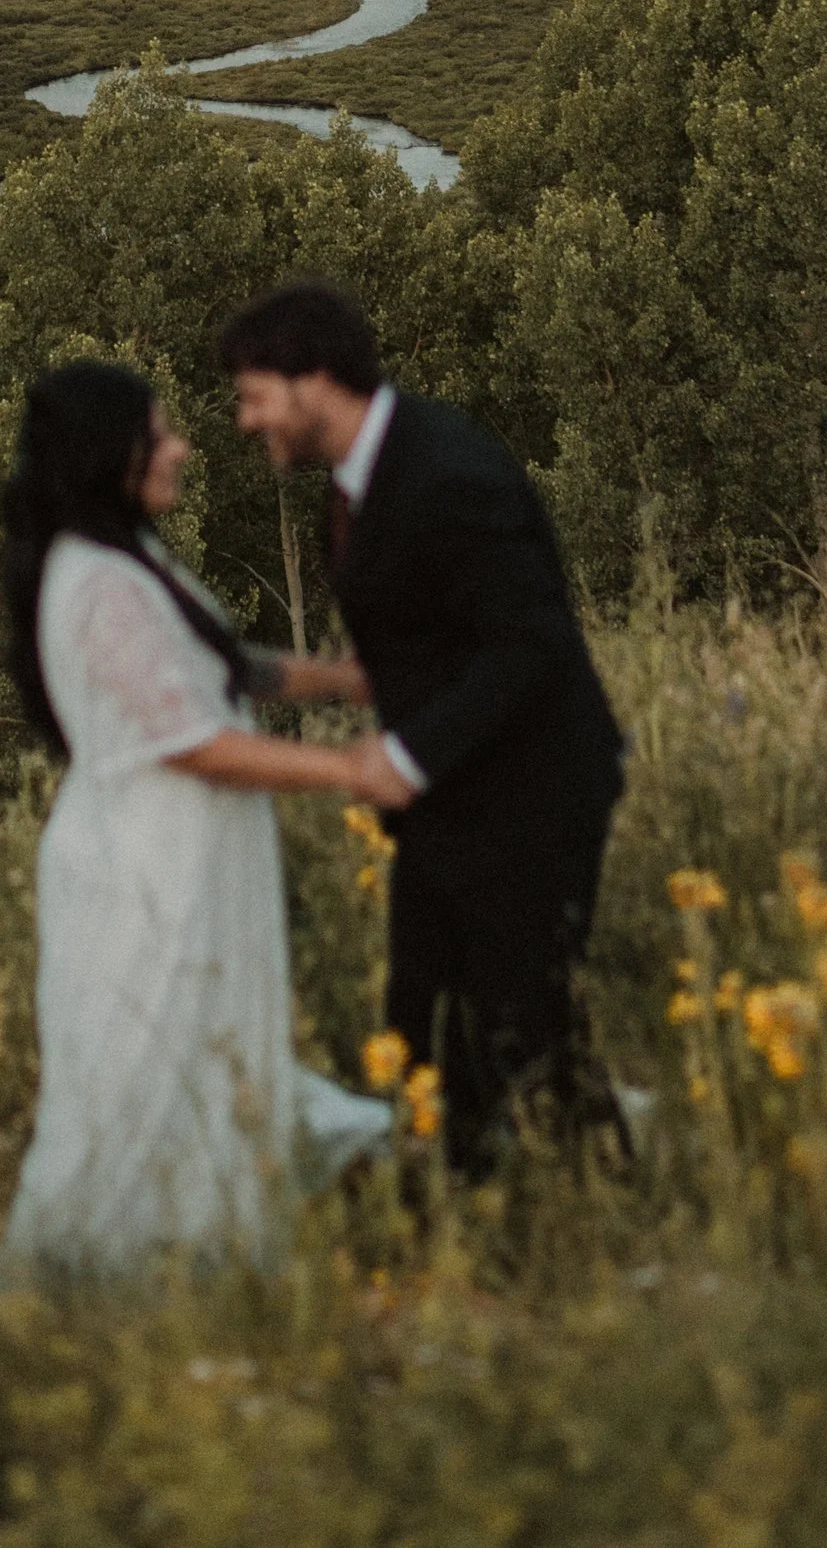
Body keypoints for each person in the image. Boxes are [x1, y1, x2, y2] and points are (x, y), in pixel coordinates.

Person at [0, 360, 395, 1281]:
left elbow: (215, 668)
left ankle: (206, 1261)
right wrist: (348, 769)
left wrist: (336, 680)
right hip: (144, 873)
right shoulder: (97, 583)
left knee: (201, 1053)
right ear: (112, 455)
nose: (181, 447)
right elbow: (193, 737)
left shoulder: (129, 558)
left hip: (179, 862)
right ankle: (120, 1282)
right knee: (145, 1066)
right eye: (160, 434)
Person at [217, 275, 625, 1176]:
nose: (247, 421)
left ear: (315, 376)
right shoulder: (364, 479)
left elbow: (531, 643)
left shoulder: (447, 471)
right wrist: (300, 682)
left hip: (531, 791)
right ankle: (463, 1215)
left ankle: (602, 1210)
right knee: (423, 1026)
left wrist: (403, 754)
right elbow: (434, 643)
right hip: (453, 800)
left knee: (525, 1022)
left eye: (254, 397)